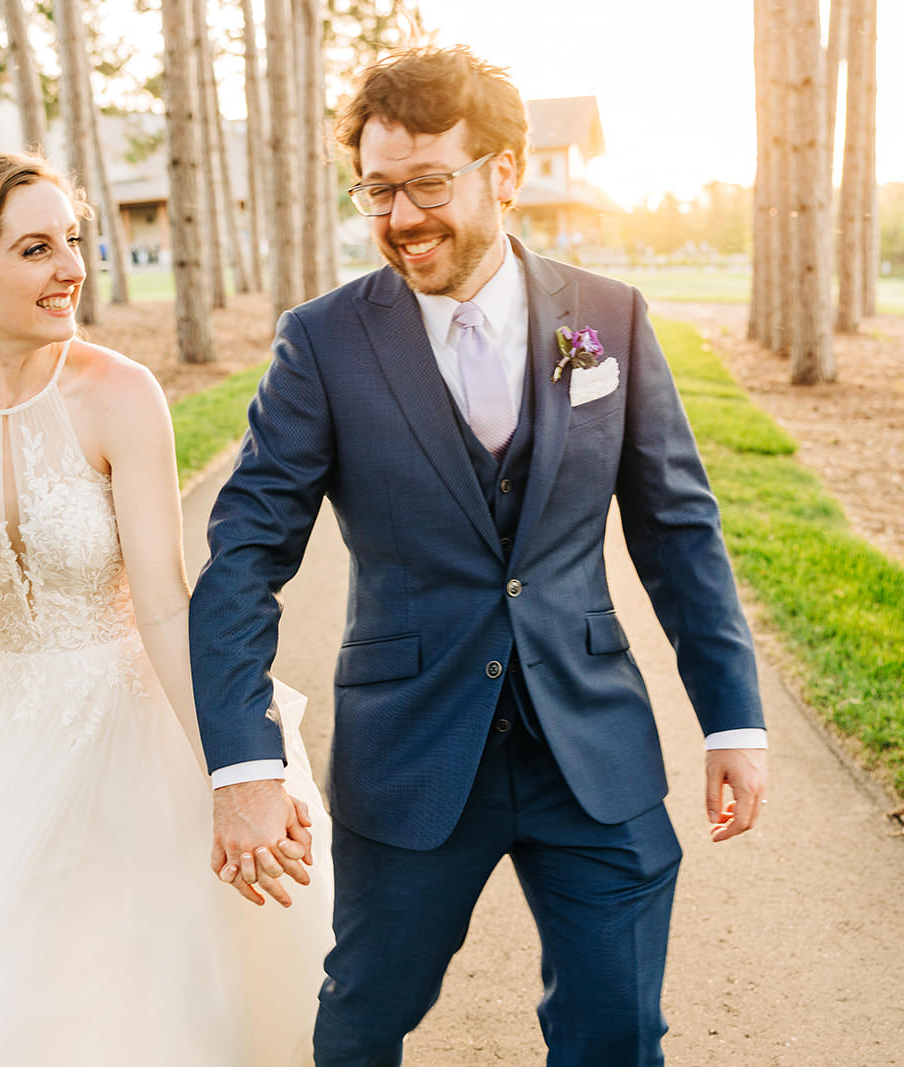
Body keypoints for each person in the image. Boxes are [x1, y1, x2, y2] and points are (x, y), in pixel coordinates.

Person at [190, 46, 769, 1065]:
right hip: (412, 750)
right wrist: (243, 759)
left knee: (617, 1033)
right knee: (365, 1018)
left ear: (504, 173)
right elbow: (245, 551)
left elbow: (677, 528)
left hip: (593, 749)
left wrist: (733, 716)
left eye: (427, 183)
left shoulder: (607, 317)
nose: (401, 217)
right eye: (378, 189)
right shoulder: (321, 343)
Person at [0, 148, 332, 1065]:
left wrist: (234, 772)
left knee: (145, 987)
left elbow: (161, 603)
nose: (72, 268)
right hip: (4, 730)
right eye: (35, 249)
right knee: (6, 983)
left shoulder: (118, 395)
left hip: (136, 714)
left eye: (72, 241)